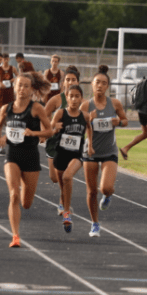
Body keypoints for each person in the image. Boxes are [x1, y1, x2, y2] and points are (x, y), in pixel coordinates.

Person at [0, 71, 52, 247]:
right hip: (12, 155)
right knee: (14, 194)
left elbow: (49, 131)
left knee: (26, 203)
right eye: (19, 85)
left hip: (31, 157)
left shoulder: (36, 108)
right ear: (15, 87)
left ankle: (23, 198)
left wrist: (34, 133)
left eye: (26, 86)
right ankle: (15, 236)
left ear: (31, 89)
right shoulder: (6, 108)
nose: (22, 89)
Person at [81, 65, 129, 237]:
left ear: (107, 86)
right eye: (97, 83)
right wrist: (88, 119)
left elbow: (125, 121)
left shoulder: (114, 103)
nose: (99, 86)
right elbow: (79, 127)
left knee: (106, 188)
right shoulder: (86, 105)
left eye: (103, 83)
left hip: (109, 151)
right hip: (91, 152)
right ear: (92, 85)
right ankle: (94, 223)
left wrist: (119, 122)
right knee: (91, 191)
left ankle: (108, 195)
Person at [51, 85, 94, 234]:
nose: (74, 99)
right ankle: (64, 204)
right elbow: (50, 128)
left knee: (68, 176)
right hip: (61, 154)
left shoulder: (85, 115)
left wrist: (90, 145)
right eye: (71, 96)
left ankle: (67, 213)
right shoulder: (60, 113)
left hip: (76, 155)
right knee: (63, 186)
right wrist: (54, 128)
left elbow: (89, 128)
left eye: (77, 96)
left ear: (81, 98)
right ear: (67, 98)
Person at [44, 65, 80, 216]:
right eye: (68, 79)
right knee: (54, 177)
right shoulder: (57, 99)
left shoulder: (81, 100)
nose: (70, 82)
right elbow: (43, 115)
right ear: (63, 82)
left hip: (71, 143)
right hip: (54, 142)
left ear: (78, 82)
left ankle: (62, 201)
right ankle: (63, 195)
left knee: (65, 175)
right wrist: (48, 129)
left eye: (73, 79)